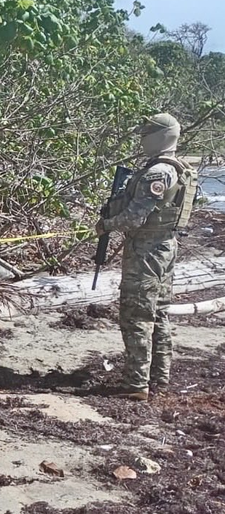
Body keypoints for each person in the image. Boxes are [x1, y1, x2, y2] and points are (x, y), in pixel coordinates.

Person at [96, 113, 198, 401]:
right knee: (159, 313)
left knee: (136, 313)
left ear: (161, 136)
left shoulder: (158, 172)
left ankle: (136, 382)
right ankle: (158, 379)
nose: (142, 138)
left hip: (147, 250)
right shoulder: (177, 168)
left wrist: (106, 225)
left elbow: (135, 218)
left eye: (147, 133)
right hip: (164, 247)